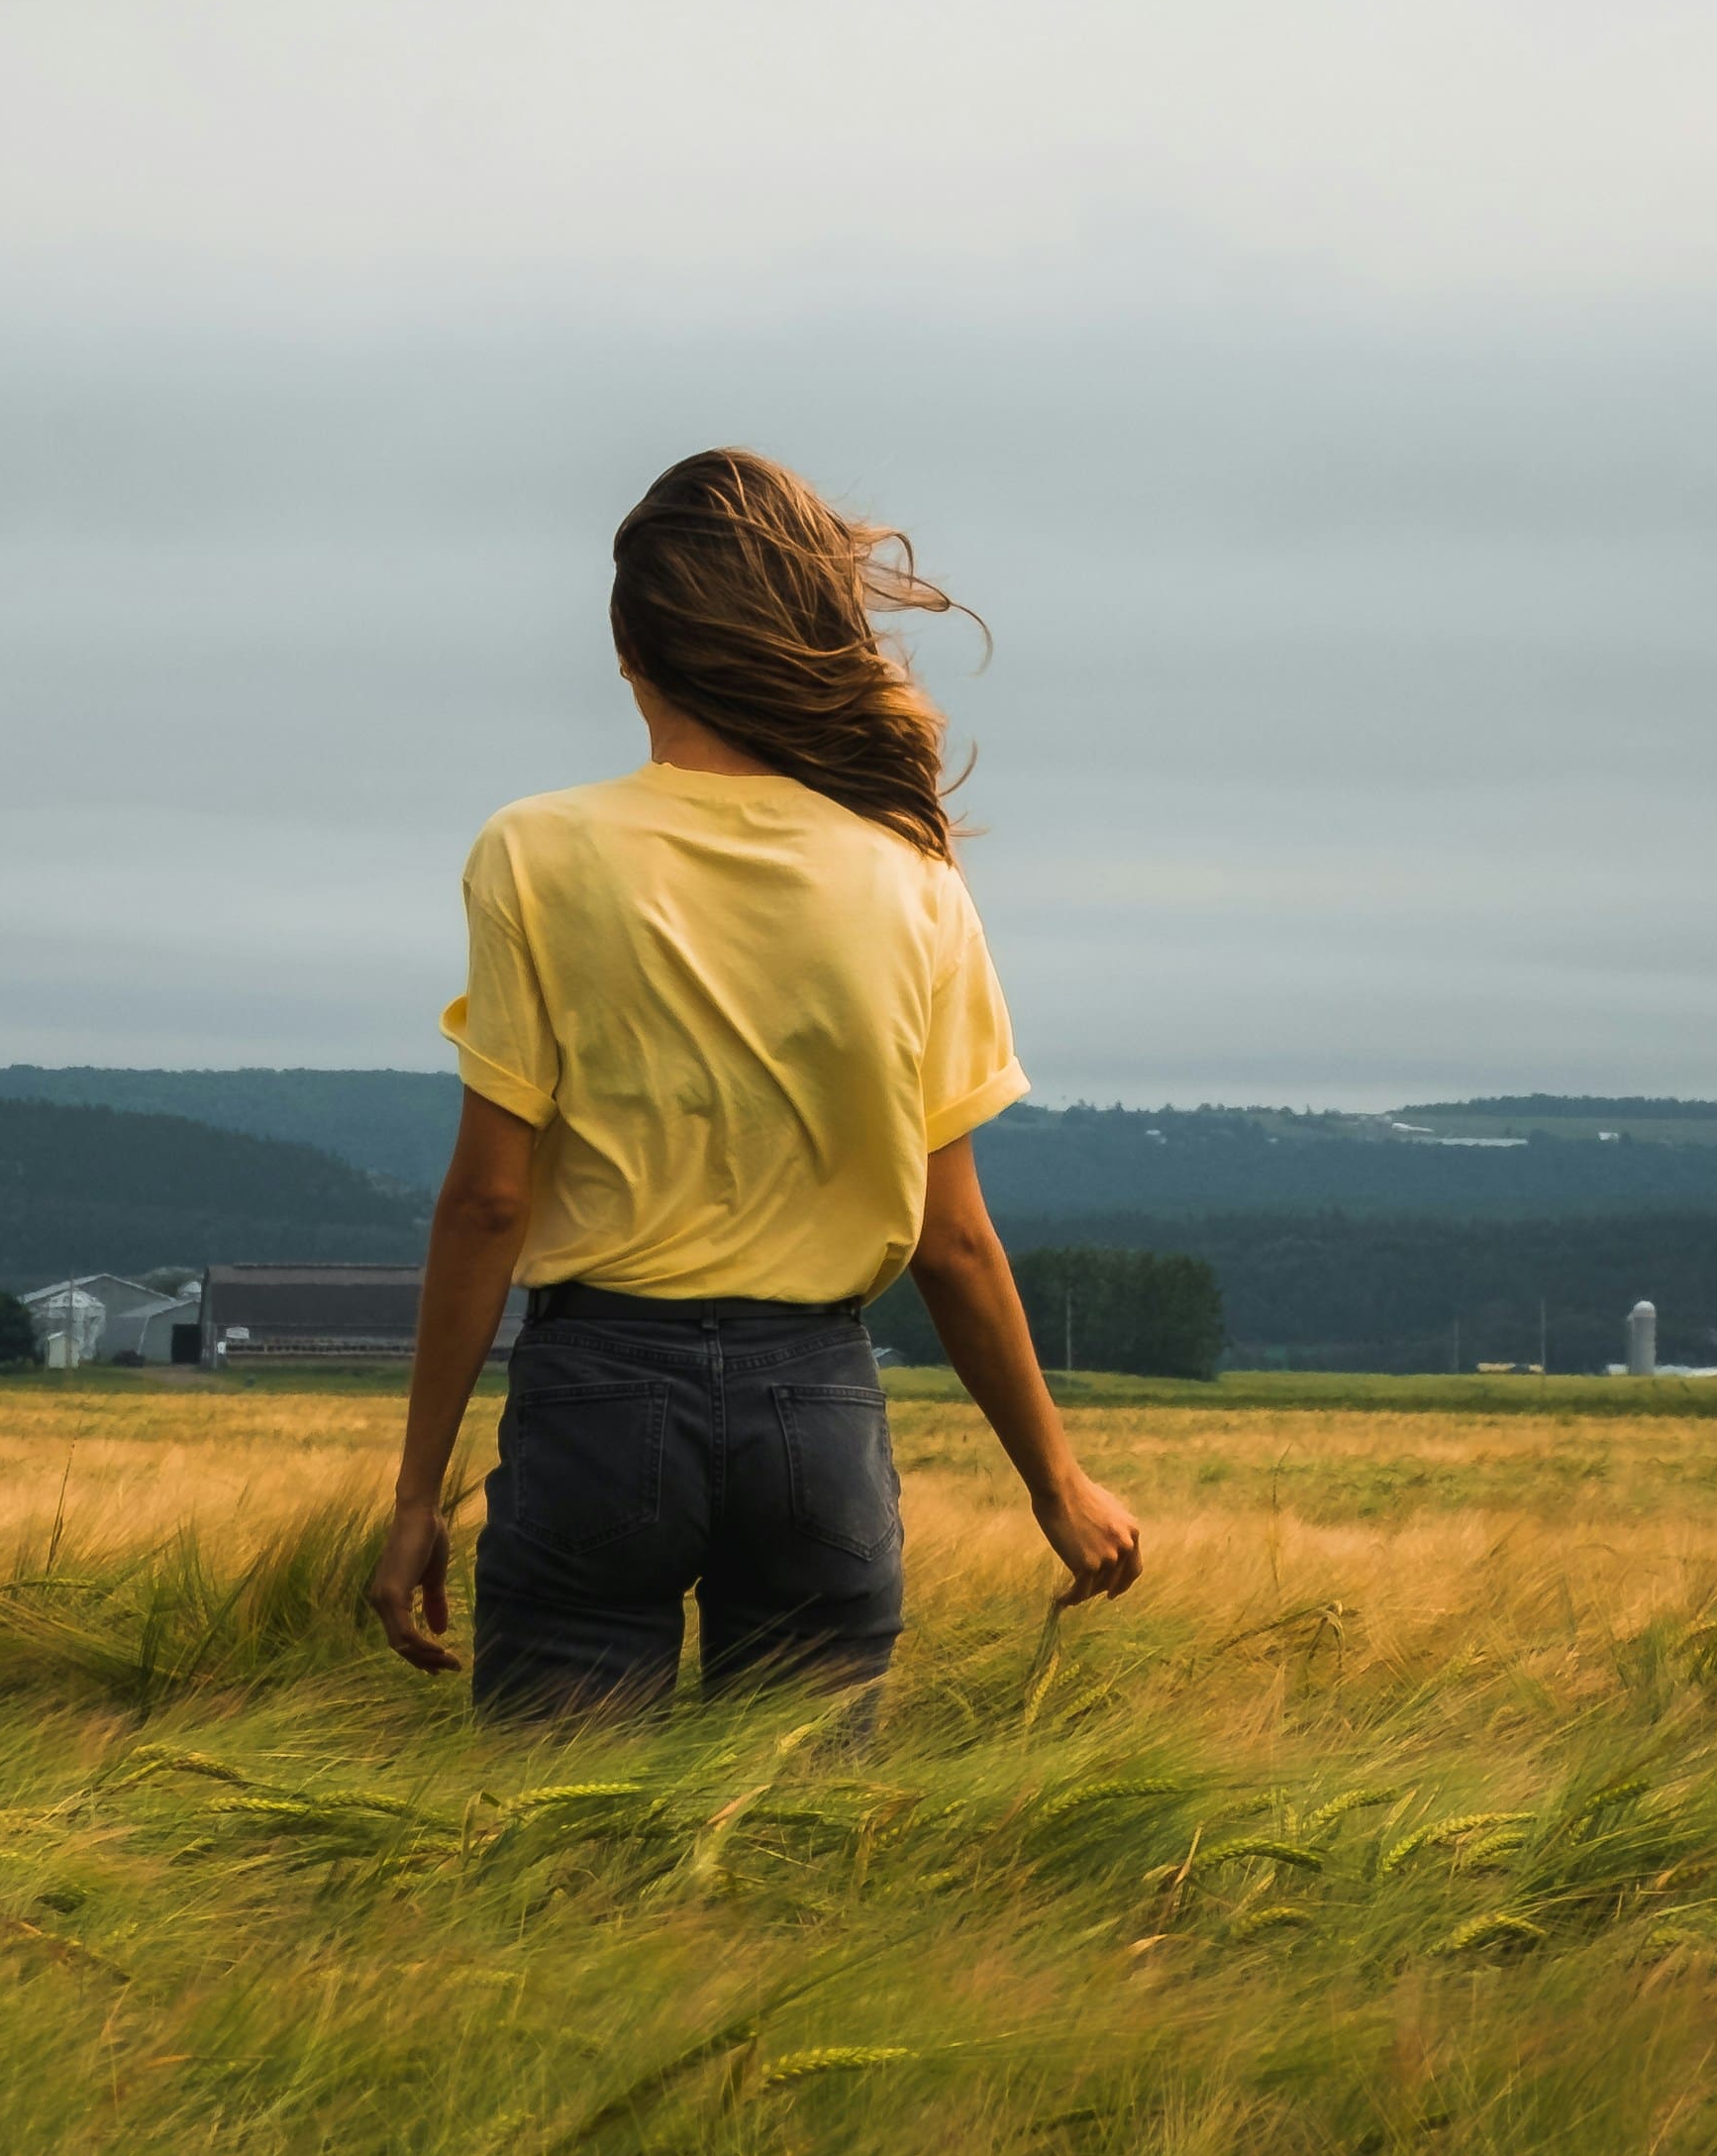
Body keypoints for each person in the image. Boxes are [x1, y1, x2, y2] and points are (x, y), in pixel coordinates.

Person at [365, 447, 1146, 1709]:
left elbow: (489, 1204)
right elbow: (954, 1241)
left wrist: (416, 1497)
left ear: (631, 646)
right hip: (817, 1409)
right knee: (788, 1862)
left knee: (562, 1869)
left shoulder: (534, 851)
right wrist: (1058, 1484)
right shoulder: (914, 878)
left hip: (594, 1401)